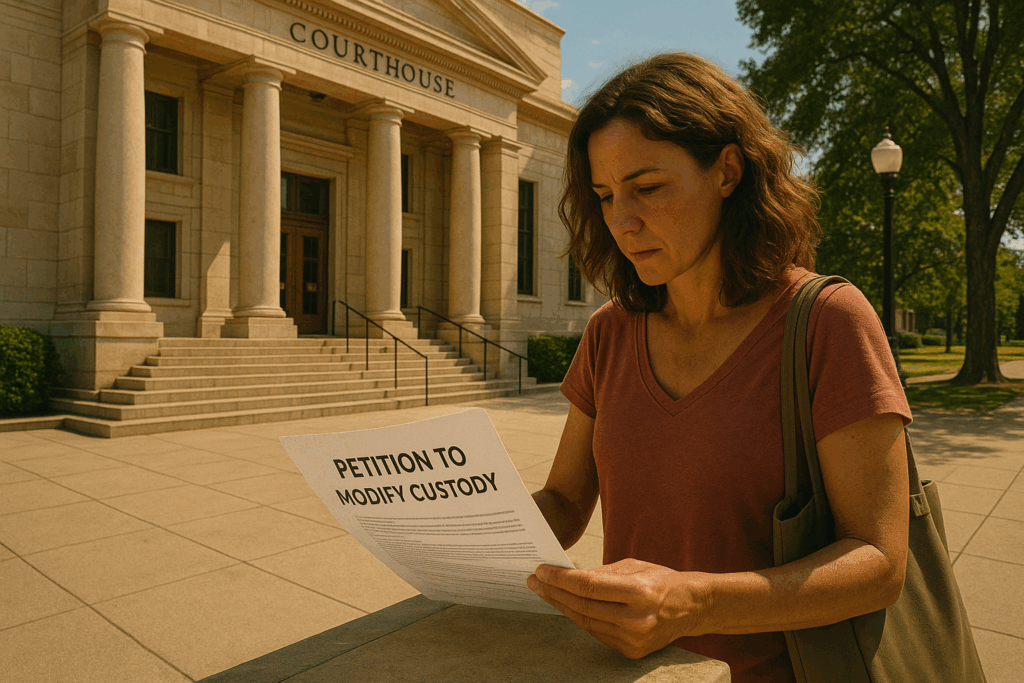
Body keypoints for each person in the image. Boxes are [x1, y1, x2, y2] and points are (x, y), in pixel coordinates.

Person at [527, 53, 913, 683]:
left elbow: (879, 560)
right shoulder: (609, 331)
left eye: (647, 188)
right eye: (604, 195)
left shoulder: (826, 321)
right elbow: (566, 499)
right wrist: (466, 530)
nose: (622, 222)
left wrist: (695, 600)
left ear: (727, 171)